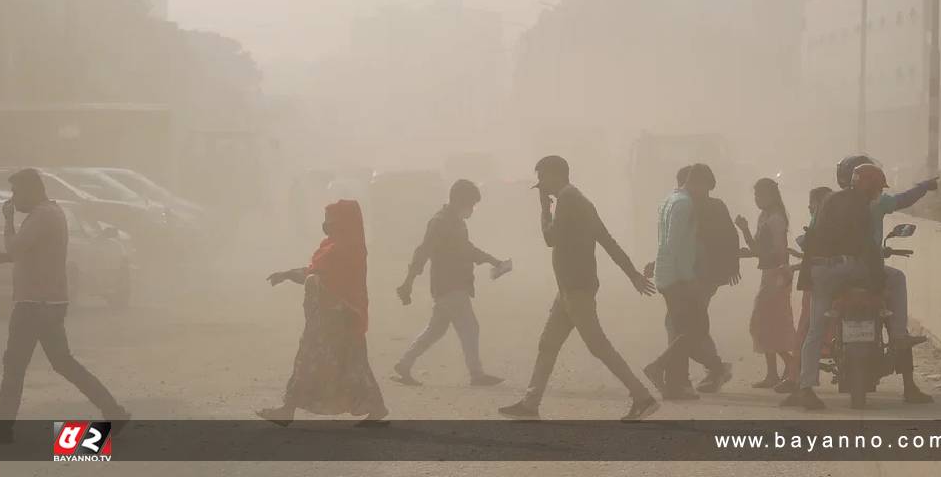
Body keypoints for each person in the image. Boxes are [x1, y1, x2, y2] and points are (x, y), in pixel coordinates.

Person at [0, 169, 129, 445]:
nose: (13, 199)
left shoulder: (43, 215)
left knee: (15, 366)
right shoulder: (51, 214)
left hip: (34, 304)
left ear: (32, 190)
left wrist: (7, 221)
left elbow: (17, 247)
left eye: (16, 192)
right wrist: (3, 257)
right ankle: (113, 411)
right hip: (48, 302)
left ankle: (2, 430)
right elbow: (31, 251)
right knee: (63, 363)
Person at [498, 156, 659, 421]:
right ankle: (530, 403)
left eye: (542, 178)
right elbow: (607, 240)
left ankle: (643, 397)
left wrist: (543, 209)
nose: (541, 185)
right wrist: (631, 275)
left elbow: (551, 239)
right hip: (569, 289)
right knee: (547, 344)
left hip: (576, 288)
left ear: (554, 175)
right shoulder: (581, 200)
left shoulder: (568, 201)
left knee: (598, 346)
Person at [257, 199, 388, 426]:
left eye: (333, 222)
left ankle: (288, 409)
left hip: (340, 317)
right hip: (326, 317)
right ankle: (374, 407)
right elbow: (313, 272)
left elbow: (331, 279)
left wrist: (305, 278)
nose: (328, 226)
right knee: (342, 363)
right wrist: (288, 274)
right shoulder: (331, 246)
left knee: (324, 362)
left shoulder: (349, 248)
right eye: (328, 221)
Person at [782, 163, 888, 410]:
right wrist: (878, 279)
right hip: (847, 267)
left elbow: (811, 237)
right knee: (893, 279)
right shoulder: (862, 207)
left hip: (820, 271)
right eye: (877, 188)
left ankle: (805, 387)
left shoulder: (828, 200)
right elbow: (868, 246)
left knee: (815, 328)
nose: (878, 194)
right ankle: (895, 333)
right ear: (870, 187)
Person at [836, 156, 935, 403]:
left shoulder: (836, 202)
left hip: (841, 271)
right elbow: (904, 199)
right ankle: (908, 381)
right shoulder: (877, 204)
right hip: (870, 271)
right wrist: (924, 186)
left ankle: (800, 380)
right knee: (897, 286)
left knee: (818, 321)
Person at [392, 179, 508, 387]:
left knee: (435, 330)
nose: (472, 209)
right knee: (470, 327)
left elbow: (467, 249)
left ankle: (404, 364)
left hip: (453, 284)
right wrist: (408, 281)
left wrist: (493, 260)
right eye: (471, 204)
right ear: (460, 201)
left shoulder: (455, 222)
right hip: (449, 284)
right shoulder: (440, 222)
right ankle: (476, 374)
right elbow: (423, 251)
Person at [643, 164, 734, 401]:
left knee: (683, 327)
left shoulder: (671, 201)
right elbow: (676, 243)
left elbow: (726, 237)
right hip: (685, 276)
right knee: (691, 328)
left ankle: (679, 381)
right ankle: (682, 373)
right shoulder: (685, 204)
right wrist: (688, 277)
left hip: (689, 274)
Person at [735, 178, 795, 389]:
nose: (757, 199)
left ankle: (789, 363)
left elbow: (778, 251)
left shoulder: (776, 219)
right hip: (768, 274)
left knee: (764, 323)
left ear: (770, 196)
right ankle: (773, 373)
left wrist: (781, 275)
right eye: (755, 195)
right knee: (765, 325)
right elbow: (757, 248)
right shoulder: (764, 217)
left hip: (776, 275)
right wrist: (743, 231)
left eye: (760, 195)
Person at [774, 185, 833, 394]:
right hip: (833, 281)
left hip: (817, 285)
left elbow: (814, 258)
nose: (809, 208)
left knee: (807, 331)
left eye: (812, 204)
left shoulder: (820, 224)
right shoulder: (837, 223)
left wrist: (794, 266)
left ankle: (796, 379)